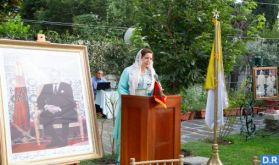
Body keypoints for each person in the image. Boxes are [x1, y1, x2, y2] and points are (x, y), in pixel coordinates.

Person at [113, 48, 159, 164]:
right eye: (146, 58)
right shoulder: (128, 71)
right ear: (140, 58)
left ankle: (140, 158)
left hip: (145, 108)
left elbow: (155, 88)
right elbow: (121, 88)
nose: (148, 61)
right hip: (130, 107)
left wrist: (158, 92)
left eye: (150, 58)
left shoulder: (152, 73)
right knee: (128, 134)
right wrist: (131, 101)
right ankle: (123, 159)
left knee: (141, 134)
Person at [37, 69, 77, 148]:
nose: (54, 78)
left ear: (59, 76)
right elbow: (39, 100)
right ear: (50, 77)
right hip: (50, 110)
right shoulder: (47, 86)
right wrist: (47, 106)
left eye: (56, 76)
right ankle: (55, 140)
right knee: (43, 117)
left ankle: (64, 140)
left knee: (66, 117)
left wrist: (60, 108)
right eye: (52, 76)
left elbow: (71, 101)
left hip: (64, 109)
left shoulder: (66, 86)